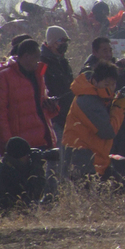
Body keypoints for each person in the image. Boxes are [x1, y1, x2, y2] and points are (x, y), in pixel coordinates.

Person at [81, 45, 125, 192]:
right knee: (104, 163)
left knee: (123, 161)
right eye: (104, 50)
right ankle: (106, 192)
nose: (108, 54)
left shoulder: (116, 68)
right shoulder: (89, 71)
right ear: (95, 52)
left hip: (122, 124)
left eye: (110, 50)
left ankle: (123, 191)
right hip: (103, 126)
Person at [60, 61, 125, 186]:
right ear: (95, 81)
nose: (110, 88)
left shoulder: (97, 96)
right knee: (93, 194)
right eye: (106, 84)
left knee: (120, 187)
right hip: (82, 159)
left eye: (113, 84)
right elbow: (108, 131)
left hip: (94, 157)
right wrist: (118, 108)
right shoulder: (88, 101)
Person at [0, 39, 57, 154]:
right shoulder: (4, 77)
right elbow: (1, 113)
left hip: (42, 139)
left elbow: (40, 107)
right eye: (36, 57)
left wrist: (51, 106)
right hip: (20, 144)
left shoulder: (38, 74)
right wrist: (9, 142)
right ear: (26, 56)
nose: (38, 61)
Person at [40, 26, 74, 197]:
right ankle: (50, 194)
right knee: (55, 159)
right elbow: (42, 86)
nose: (64, 44)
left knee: (66, 159)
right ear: (52, 42)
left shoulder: (63, 61)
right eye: (62, 41)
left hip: (67, 115)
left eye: (66, 41)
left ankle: (61, 193)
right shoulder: (43, 63)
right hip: (53, 117)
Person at [0, 137, 46, 213]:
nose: (28, 158)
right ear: (19, 156)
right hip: (10, 214)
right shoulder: (7, 173)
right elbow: (34, 195)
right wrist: (37, 167)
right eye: (27, 155)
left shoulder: (7, 166)